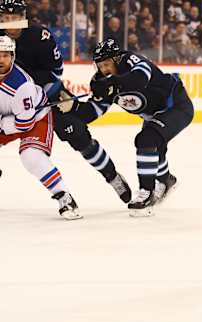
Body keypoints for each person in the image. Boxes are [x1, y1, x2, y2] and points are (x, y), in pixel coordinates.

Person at [0, 0, 132, 204]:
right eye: (5, 19)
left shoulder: (39, 37)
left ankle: (112, 176)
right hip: (8, 99)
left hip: (47, 97)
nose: (10, 23)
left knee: (78, 136)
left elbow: (56, 72)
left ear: (24, 17)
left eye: (14, 18)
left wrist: (45, 92)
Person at [58, 39, 194, 216]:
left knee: (147, 140)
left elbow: (139, 79)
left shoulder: (131, 60)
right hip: (154, 115)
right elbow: (92, 113)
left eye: (106, 64)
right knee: (154, 149)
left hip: (177, 106)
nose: (103, 69)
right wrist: (73, 107)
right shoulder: (101, 81)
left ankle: (146, 193)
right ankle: (166, 180)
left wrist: (112, 84)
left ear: (117, 59)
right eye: (99, 65)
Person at [0, 35, 81, 220]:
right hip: (9, 118)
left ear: (12, 56)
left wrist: (1, 124)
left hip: (36, 119)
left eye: (5, 55)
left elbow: (24, 124)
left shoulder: (22, 86)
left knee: (31, 157)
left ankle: (64, 196)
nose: (1, 60)